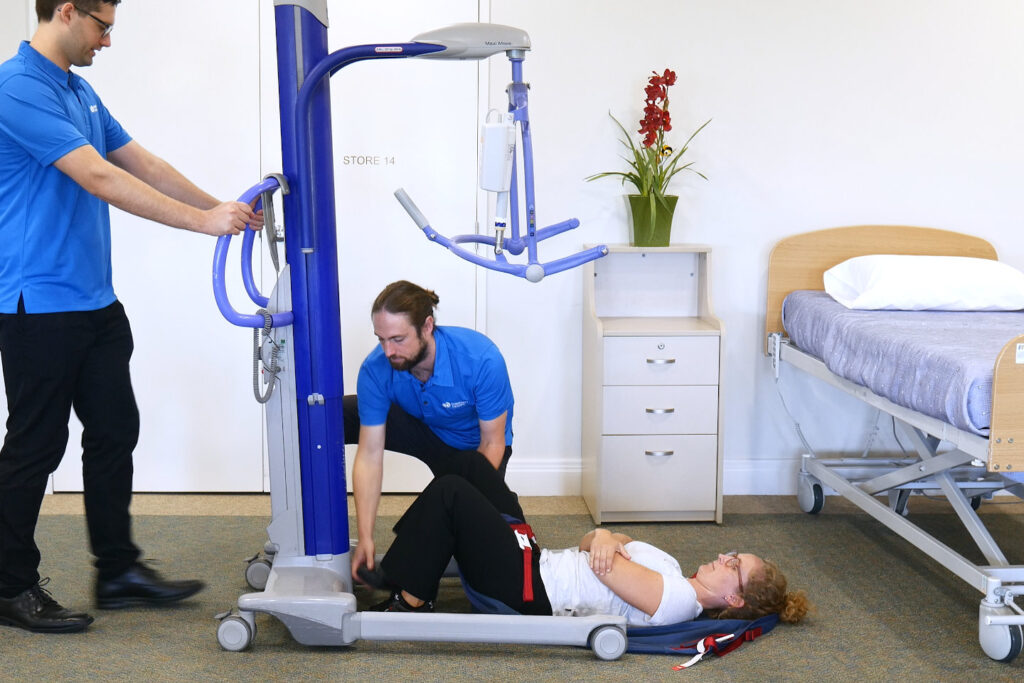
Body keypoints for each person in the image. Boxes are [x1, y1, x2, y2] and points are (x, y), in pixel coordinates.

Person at [0, 1, 261, 634]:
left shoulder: (78, 90)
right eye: (102, 26)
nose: (108, 40)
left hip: (94, 303)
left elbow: (139, 162)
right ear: (65, 11)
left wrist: (220, 207)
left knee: (115, 431)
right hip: (39, 305)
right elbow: (96, 175)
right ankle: (9, 586)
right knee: (36, 446)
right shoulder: (17, 88)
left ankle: (116, 571)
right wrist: (202, 223)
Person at [359, 455, 811, 626]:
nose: (722, 556)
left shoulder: (676, 600)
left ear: (734, 600)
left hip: (528, 590)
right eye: (732, 554)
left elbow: (603, 560)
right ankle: (414, 559)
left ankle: (410, 598)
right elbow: (593, 543)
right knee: (471, 467)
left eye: (734, 566)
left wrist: (605, 541)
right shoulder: (671, 571)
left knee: (452, 493)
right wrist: (604, 535)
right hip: (534, 561)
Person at [344, 280, 515, 583]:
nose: (388, 351)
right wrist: (365, 535)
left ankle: (407, 569)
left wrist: (457, 505)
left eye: (398, 339)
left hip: (474, 449)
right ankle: (320, 538)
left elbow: (493, 442)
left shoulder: (481, 360)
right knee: (331, 414)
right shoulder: (376, 368)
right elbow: (370, 454)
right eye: (381, 339)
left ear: (427, 326)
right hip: (422, 427)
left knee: (460, 512)